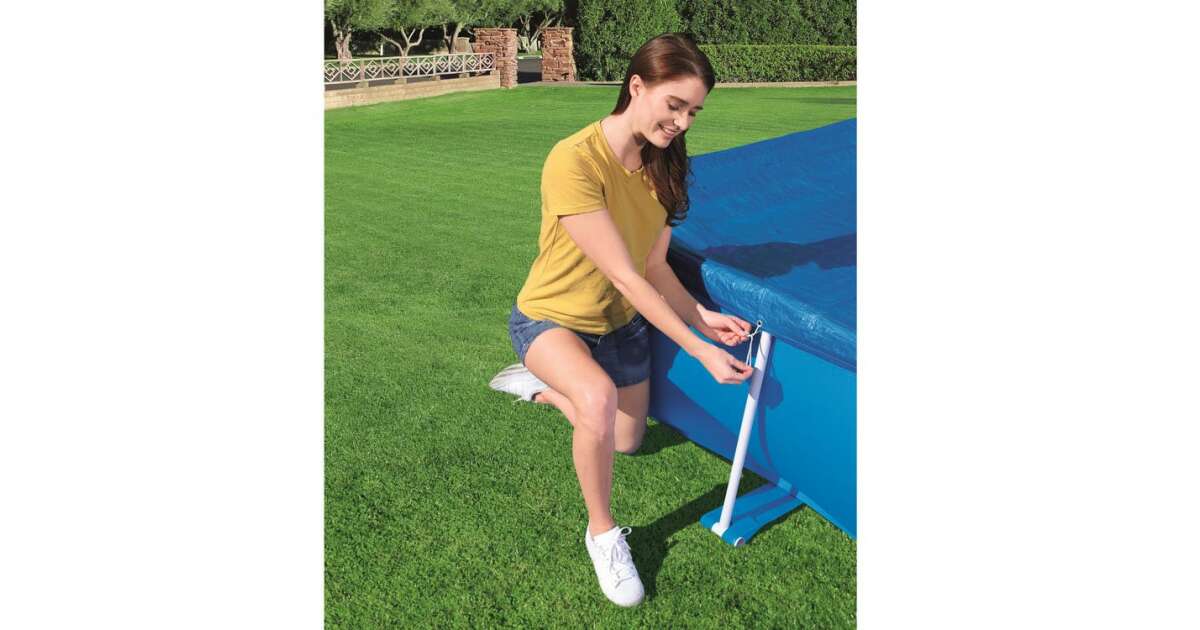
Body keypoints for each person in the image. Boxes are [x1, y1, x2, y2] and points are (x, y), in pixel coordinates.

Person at [489, 33, 754, 607]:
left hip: (622, 325)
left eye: (693, 112)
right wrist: (702, 350)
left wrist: (703, 317)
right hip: (551, 319)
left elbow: (655, 268)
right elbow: (625, 275)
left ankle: (543, 390)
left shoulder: (666, 166)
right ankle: (603, 535)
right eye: (674, 105)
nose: (682, 122)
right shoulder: (574, 160)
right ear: (637, 86)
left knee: (628, 441)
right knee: (597, 398)